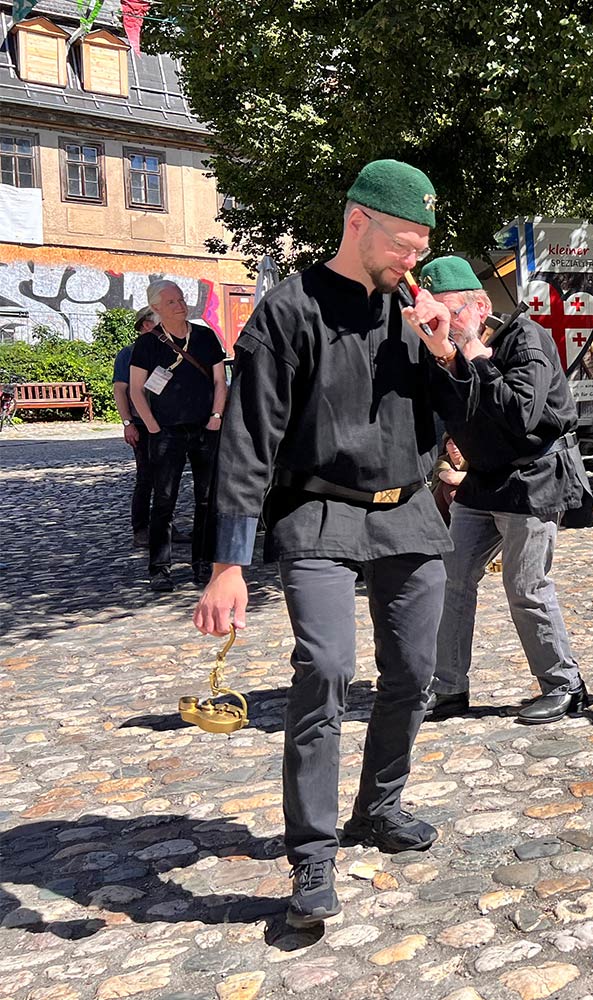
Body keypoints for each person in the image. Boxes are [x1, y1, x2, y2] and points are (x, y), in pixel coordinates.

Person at [194, 160, 464, 928]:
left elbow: (470, 423)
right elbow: (247, 442)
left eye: (420, 245)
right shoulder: (288, 311)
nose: (413, 260)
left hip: (409, 512)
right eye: (403, 243)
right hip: (318, 512)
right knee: (325, 668)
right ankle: (312, 852)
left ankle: (379, 806)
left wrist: (446, 355)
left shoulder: (413, 313)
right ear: (357, 222)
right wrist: (228, 564)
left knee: (416, 671)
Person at [419, 256, 591, 725]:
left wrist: (473, 354)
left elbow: (520, 415)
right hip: (484, 478)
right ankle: (448, 686)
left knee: (525, 585)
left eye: (453, 312)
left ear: (479, 305)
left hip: (534, 476)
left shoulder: (526, 339)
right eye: (435, 313)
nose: (445, 323)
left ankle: (565, 684)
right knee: (450, 576)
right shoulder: (439, 351)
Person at [129, 281, 227, 590]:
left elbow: (219, 381)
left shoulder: (205, 337)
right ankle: (160, 568)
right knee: (165, 500)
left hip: (204, 428)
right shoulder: (148, 344)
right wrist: (152, 426)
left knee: (207, 499)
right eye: (170, 301)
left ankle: (202, 564)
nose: (179, 305)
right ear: (156, 308)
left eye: (181, 299)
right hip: (166, 432)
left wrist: (216, 417)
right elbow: (135, 390)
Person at [114, 306, 158, 547]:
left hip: (169, 423)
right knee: (146, 477)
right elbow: (120, 389)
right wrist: (128, 422)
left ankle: (165, 527)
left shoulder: (166, 350)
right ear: (146, 325)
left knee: (168, 478)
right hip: (141, 423)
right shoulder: (128, 353)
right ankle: (140, 529)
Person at [432, 435, 467, 525]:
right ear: (446, 448)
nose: (454, 447)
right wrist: (474, 477)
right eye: (450, 444)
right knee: (447, 484)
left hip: (465, 499)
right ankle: (462, 516)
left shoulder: (469, 461)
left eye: (456, 443)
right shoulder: (441, 461)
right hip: (438, 505)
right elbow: (450, 478)